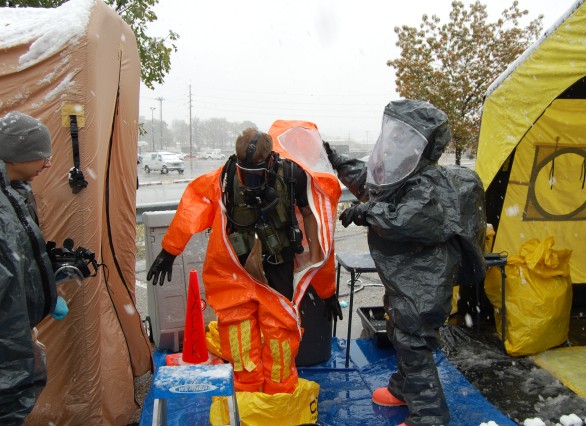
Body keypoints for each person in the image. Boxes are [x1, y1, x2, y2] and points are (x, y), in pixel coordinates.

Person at [324, 100, 486, 426]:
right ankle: (402, 387)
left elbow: (406, 219)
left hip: (425, 283)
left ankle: (430, 416)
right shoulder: (399, 176)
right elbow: (369, 181)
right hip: (405, 281)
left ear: (422, 145)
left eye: (403, 137)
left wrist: (365, 212)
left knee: (414, 345)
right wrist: (336, 159)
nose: (394, 144)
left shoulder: (431, 186)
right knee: (400, 334)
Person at [147, 126, 342, 394]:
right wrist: (170, 250)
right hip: (236, 268)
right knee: (238, 333)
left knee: (280, 331)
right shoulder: (225, 178)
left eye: (256, 174)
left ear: (271, 160)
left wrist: (325, 286)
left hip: (277, 264)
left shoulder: (292, 175)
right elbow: (194, 205)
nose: (250, 181)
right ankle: (246, 392)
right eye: (245, 174)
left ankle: (280, 393)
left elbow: (315, 221)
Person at [0, 111, 68, 423]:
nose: (48, 164)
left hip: (15, 333)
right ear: (18, 153)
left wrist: (47, 276)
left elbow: (16, 260)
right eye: (42, 155)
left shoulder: (15, 192)